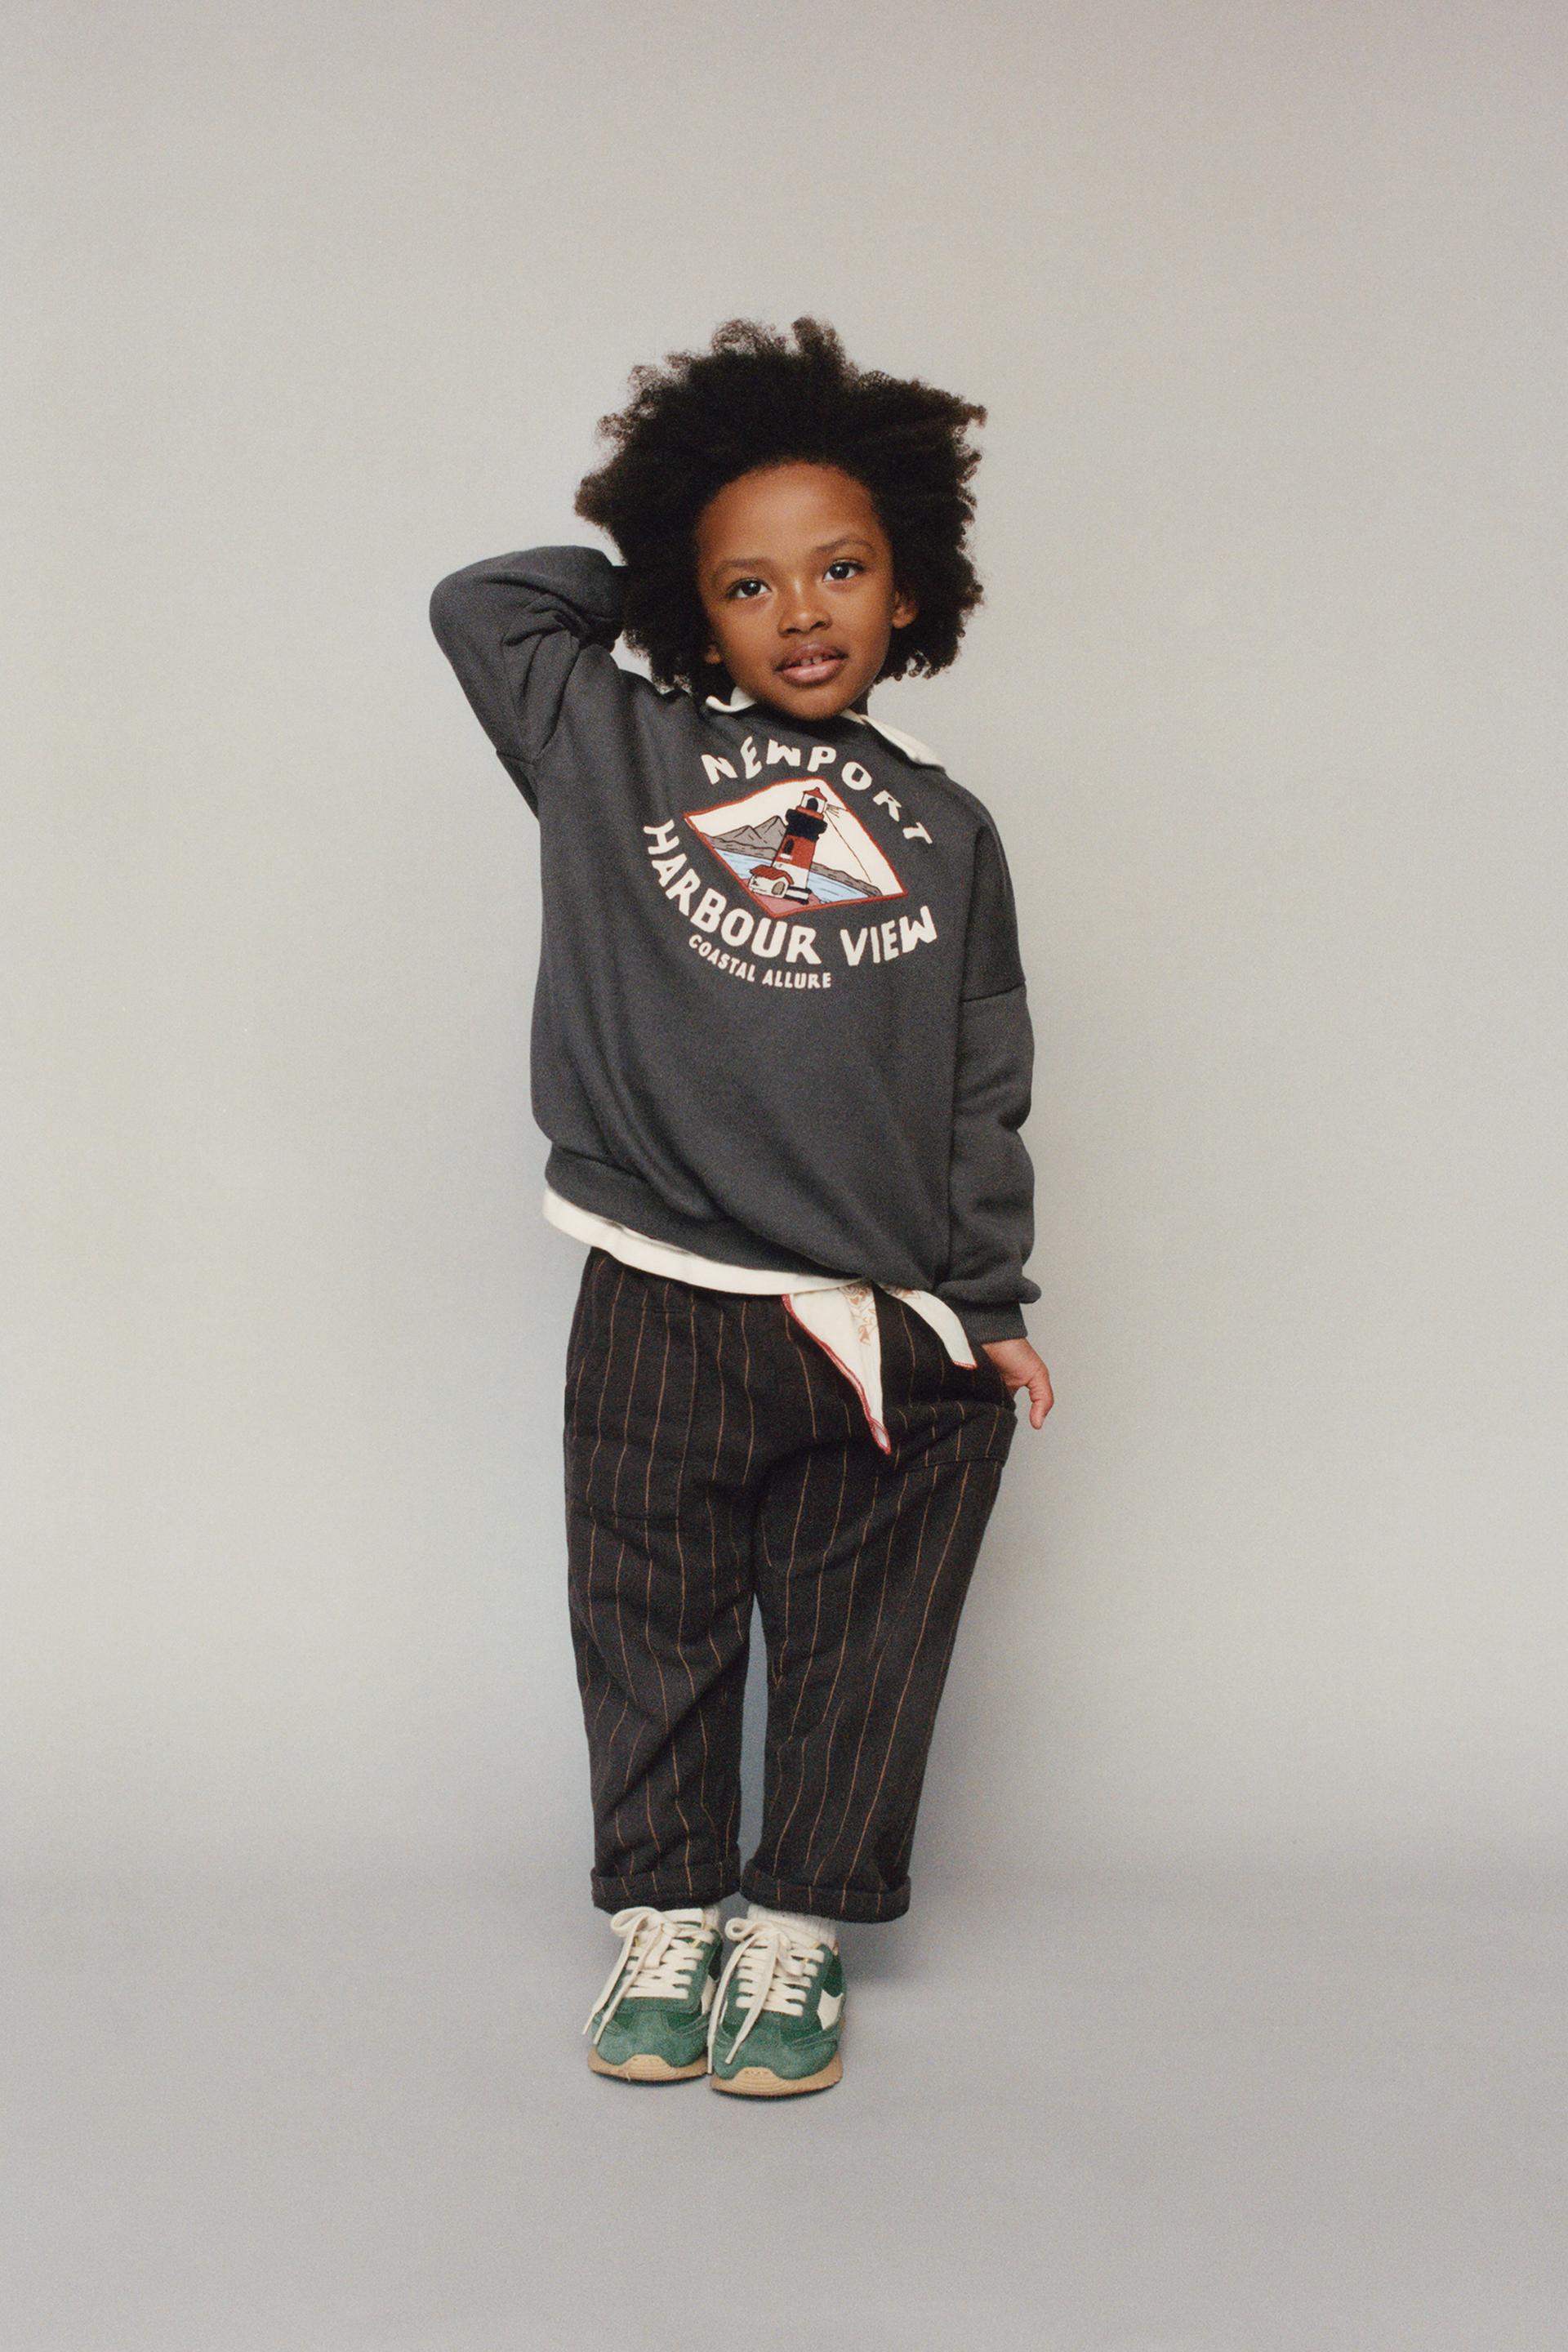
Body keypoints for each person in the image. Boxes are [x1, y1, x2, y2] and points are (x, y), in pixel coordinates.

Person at [428, 315, 1054, 2098]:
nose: (801, 611)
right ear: (693, 614)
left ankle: (798, 1929)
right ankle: (668, 1910)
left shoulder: (947, 831)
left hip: (878, 1321)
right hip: (659, 1289)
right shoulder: (612, 745)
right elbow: (483, 605)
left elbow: (980, 1078)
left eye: (841, 568)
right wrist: (649, 572)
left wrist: (989, 1302)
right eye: (748, 583)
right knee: (651, 1619)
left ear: (911, 588)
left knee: (867, 1643)